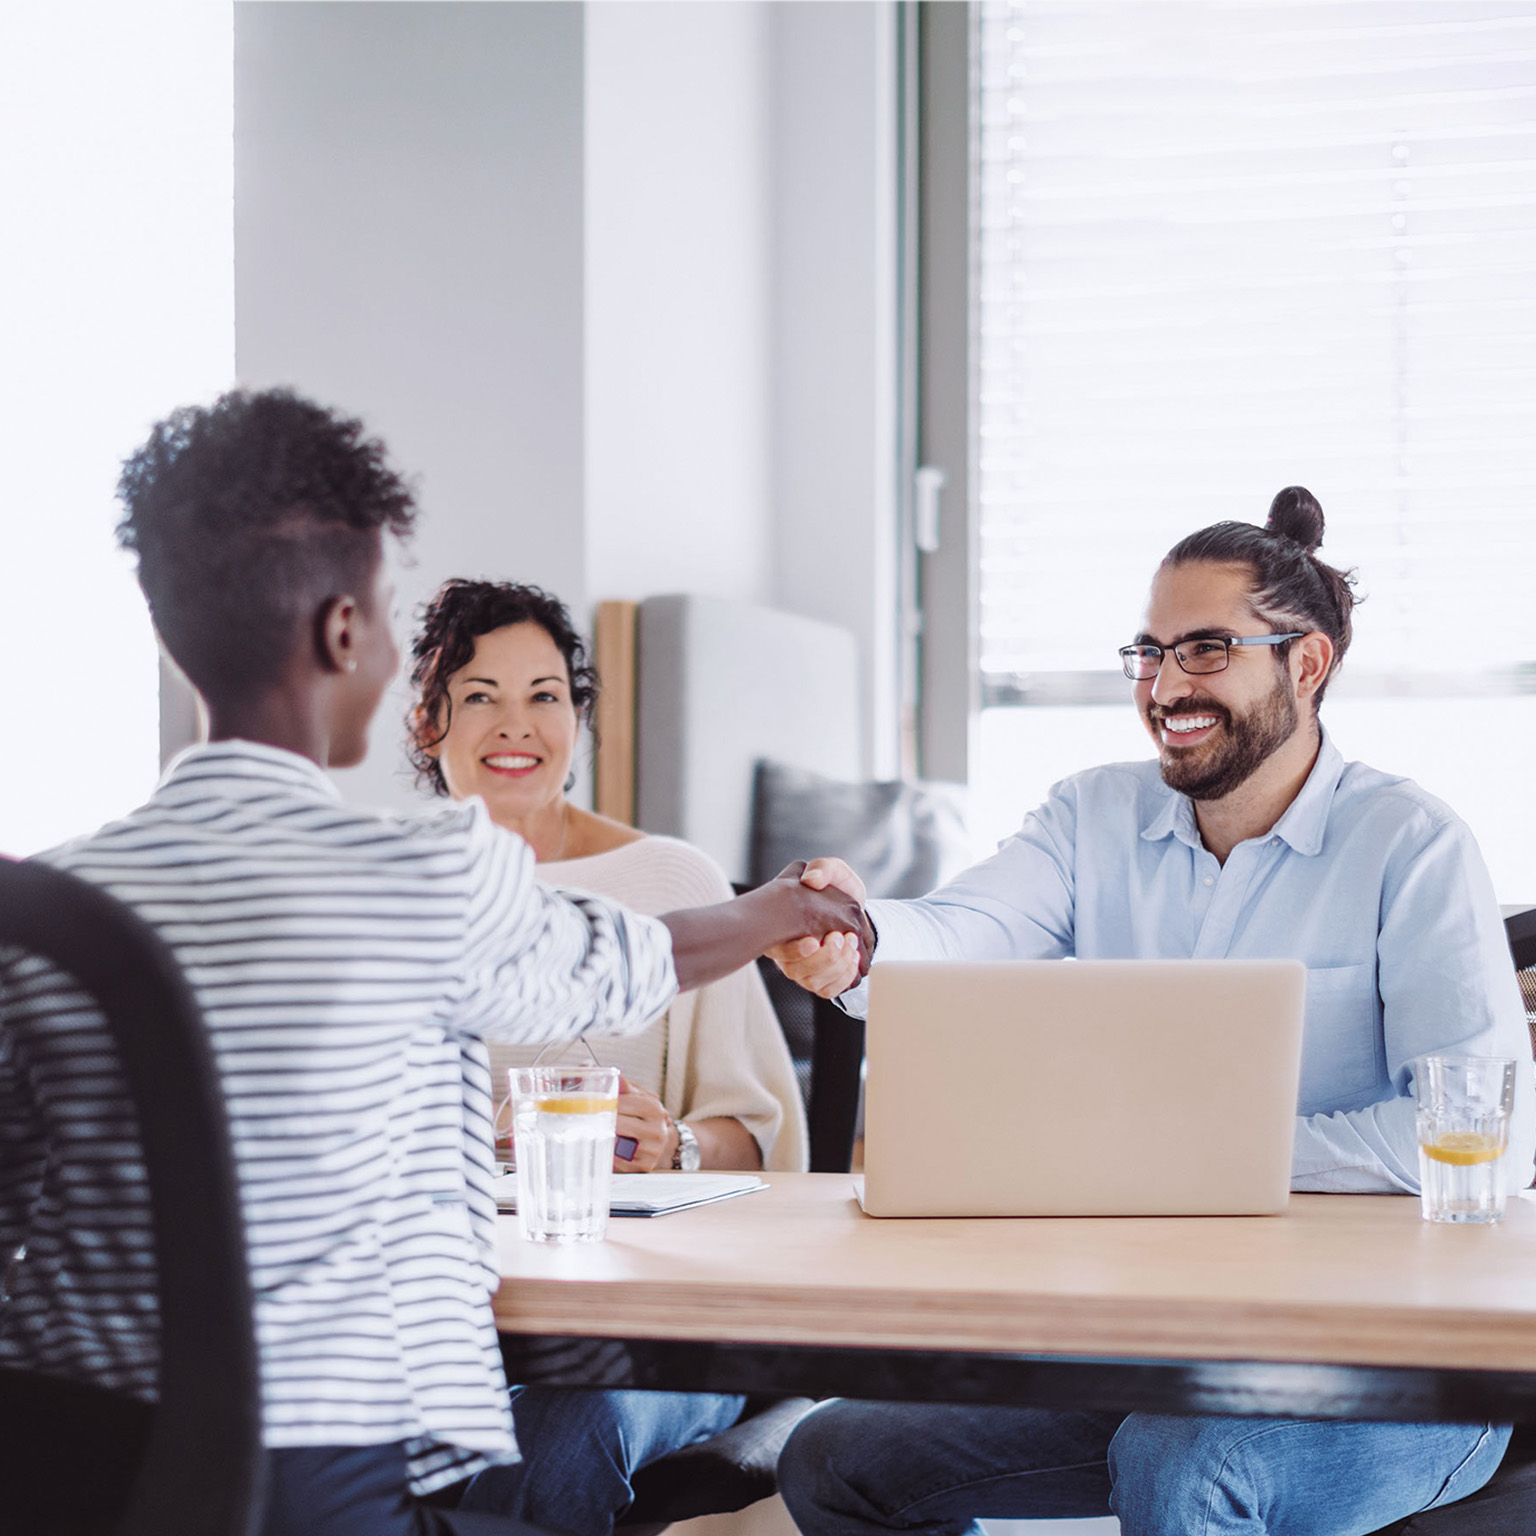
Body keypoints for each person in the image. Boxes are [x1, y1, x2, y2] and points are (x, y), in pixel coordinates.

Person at [0, 387, 869, 1536]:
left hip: (58, 1463)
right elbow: (631, 958)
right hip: (322, 1480)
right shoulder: (424, 876)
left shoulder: (42, 900)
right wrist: (777, 909)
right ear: (345, 633)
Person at [769, 487, 1536, 1536]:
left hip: (1403, 1374)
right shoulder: (1095, 814)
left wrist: (1211, 1159)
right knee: (836, 1457)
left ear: (1304, 664)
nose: (1165, 684)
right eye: (1149, 651)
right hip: (1155, 1349)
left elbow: (1488, 1139)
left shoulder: (1410, 844)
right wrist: (860, 937)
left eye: (1207, 650)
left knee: (1184, 1459)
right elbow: (964, 931)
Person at [404, 576, 806, 1534]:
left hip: (651, 1333)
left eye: (546, 695)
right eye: (480, 696)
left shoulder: (670, 880)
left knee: (558, 1430)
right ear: (428, 721)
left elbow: (761, 1138)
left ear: (578, 720)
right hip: (450, 1327)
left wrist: (676, 1146)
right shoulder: (386, 890)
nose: (518, 725)